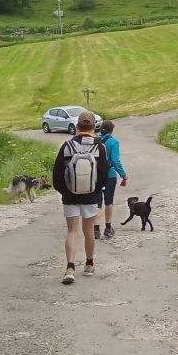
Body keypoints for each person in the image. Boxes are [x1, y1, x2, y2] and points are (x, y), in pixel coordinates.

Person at [52, 110, 109, 285]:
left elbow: (57, 175)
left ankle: (70, 267)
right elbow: (104, 175)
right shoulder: (100, 147)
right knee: (89, 230)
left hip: (70, 196)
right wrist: (96, 191)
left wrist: (65, 192)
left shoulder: (68, 146)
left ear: (77, 126)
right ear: (94, 127)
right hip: (91, 196)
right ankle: (89, 264)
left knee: (72, 231)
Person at [98, 120, 127, 240]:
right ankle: (108, 228)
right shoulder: (114, 142)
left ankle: (95, 229)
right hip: (110, 176)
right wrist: (123, 175)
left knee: (97, 202)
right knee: (108, 202)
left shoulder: (95, 140)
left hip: (96, 176)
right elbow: (115, 160)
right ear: (111, 130)